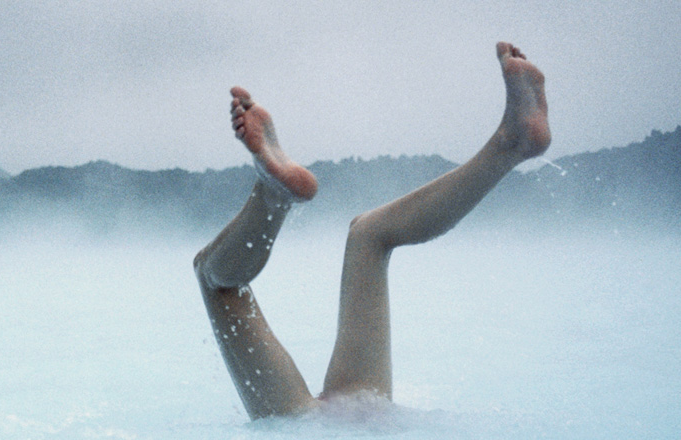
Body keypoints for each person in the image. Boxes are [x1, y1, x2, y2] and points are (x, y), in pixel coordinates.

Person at [193, 42, 550, 420]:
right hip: (367, 413)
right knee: (368, 233)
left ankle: (273, 195)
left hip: (308, 437)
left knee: (214, 279)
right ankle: (510, 143)